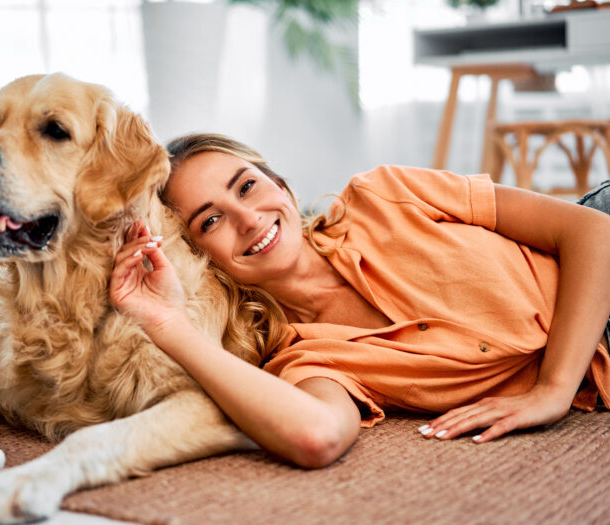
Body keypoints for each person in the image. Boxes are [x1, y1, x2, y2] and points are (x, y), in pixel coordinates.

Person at [109, 133, 610, 469]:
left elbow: (592, 230)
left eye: (247, 186)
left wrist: (553, 388)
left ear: (279, 184)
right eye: (210, 221)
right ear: (200, 257)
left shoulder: (385, 194)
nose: (248, 217)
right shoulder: (306, 359)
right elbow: (317, 436)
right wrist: (166, 323)